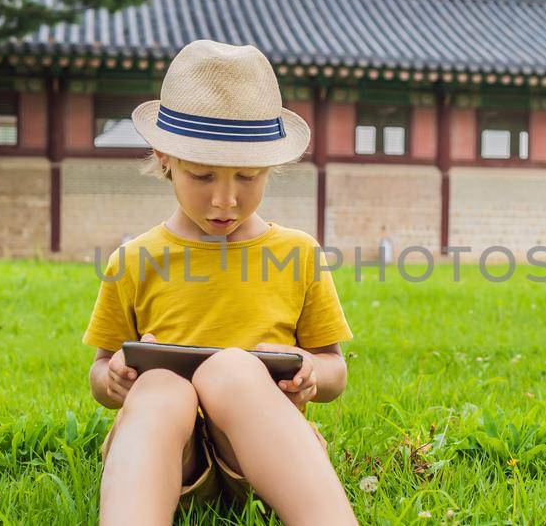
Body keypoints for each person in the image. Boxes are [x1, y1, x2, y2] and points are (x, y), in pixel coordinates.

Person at [81, 39, 357, 525]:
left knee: (231, 372)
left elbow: (335, 370)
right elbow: (100, 372)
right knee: (162, 387)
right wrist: (117, 377)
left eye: (247, 178)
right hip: (165, 458)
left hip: (264, 457)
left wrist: (310, 376)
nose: (226, 201)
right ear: (164, 157)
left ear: (271, 168)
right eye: (203, 176)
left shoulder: (296, 254)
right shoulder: (134, 260)